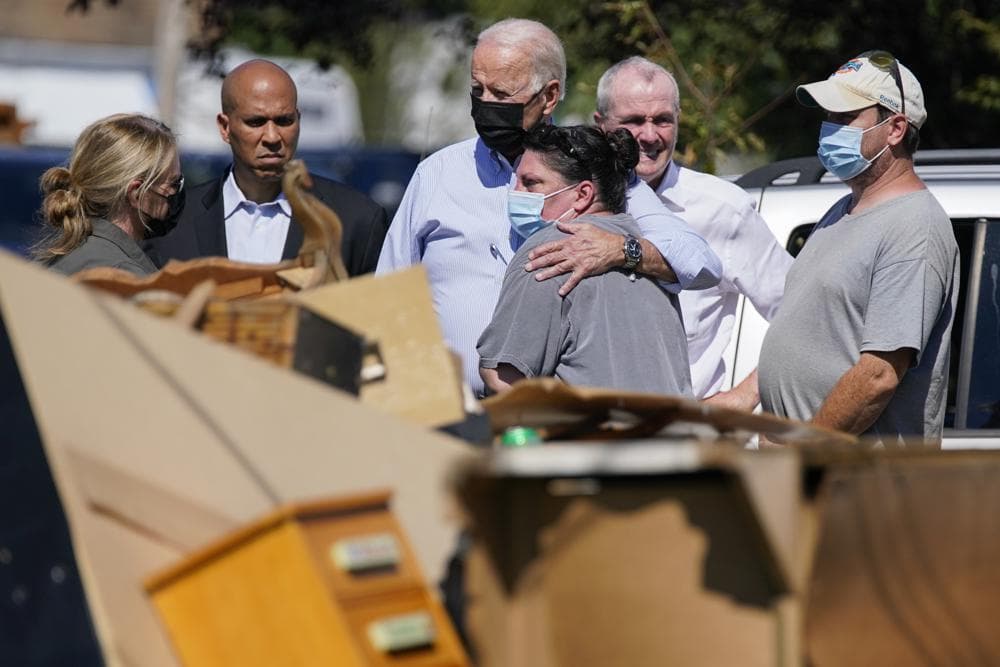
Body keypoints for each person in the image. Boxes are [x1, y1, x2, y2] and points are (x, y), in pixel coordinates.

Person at [377, 18, 720, 397]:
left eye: (503, 94)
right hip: (451, 417)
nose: (486, 104)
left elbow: (700, 262)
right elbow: (388, 298)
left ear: (550, 95)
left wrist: (620, 250)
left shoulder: (592, 165)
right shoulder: (436, 174)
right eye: (478, 90)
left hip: (557, 425)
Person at [758, 51, 959, 446]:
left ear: (896, 129)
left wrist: (800, 447)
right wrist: (744, 397)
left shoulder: (914, 225)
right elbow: (812, 334)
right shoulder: (842, 210)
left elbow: (879, 375)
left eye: (844, 117)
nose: (829, 129)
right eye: (828, 117)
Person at [594, 56, 793, 409]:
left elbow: (805, 315)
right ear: (601, 125)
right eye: (634, 121)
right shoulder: (572, 201)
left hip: (690, 436)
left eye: (663, 120)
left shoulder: (723, 209)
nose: (650, 135)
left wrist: (742, 397)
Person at [478, 124, 692, 396]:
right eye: (516, 181)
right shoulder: (647, 252)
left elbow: (505, 377)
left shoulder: (550, 251)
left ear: (583, 195)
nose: (516, 193)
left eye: (530, 183)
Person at [148, 59, 388, 275]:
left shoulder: (355, 220)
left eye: (284, 121)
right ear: (225, 127)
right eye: (256, 122)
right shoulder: (172, 222)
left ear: (299, 121)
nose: (272, 137)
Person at [34, 113, 183, 276]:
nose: (177, 192)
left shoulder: (48, 263)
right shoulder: (125, 279)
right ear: (136, 194)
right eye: (174, 183)